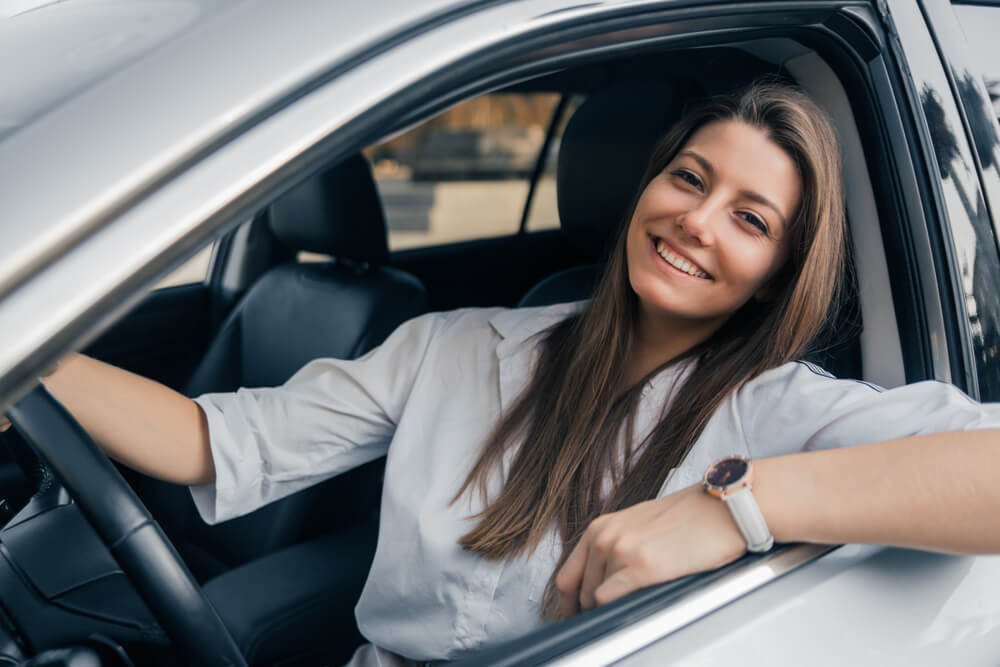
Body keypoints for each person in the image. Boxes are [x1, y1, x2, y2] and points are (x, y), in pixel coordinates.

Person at [3, 81, 1000, 666]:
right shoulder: (454, 346)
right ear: (646, 184)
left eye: (749, 218)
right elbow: (218, 443)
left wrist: (737, 508)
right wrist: (32, 357)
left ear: (777, 272)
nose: (698, 221)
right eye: (688, 178)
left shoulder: (780, 411)